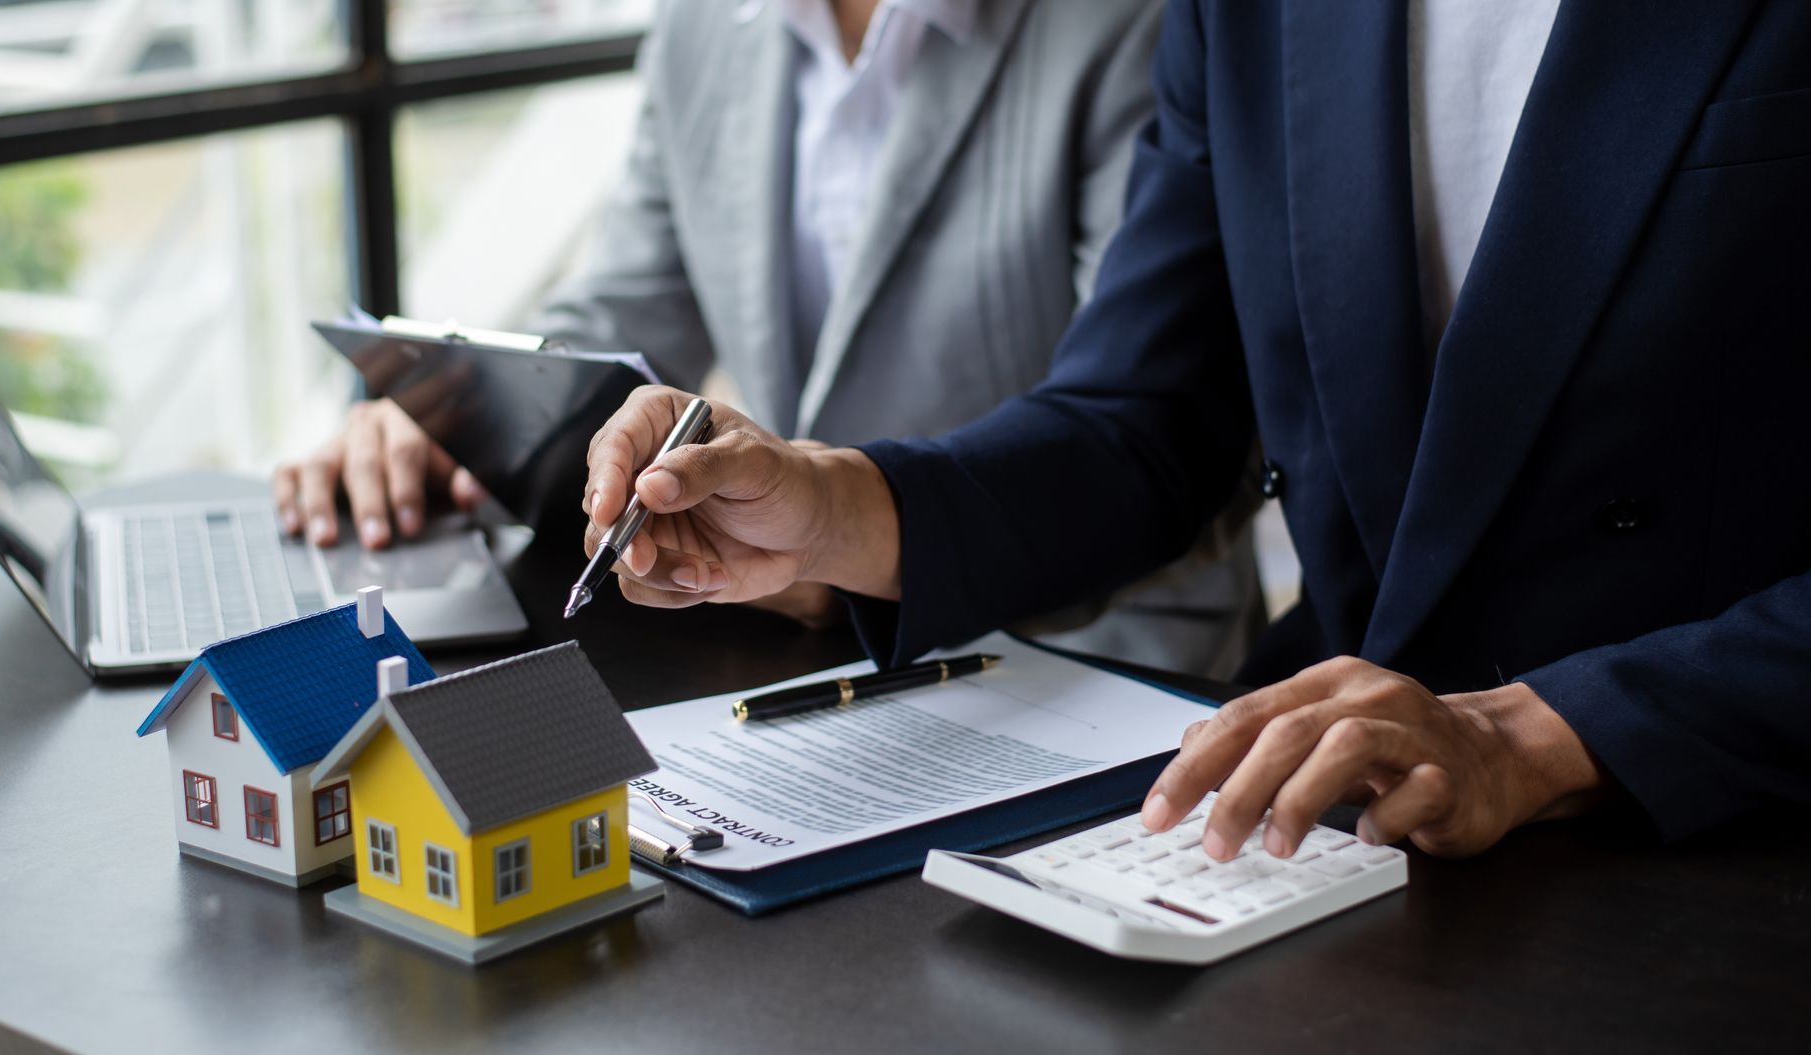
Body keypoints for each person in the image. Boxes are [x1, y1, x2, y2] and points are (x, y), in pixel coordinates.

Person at [578, 1, 1811, 859]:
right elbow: (1146, 421)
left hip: (1720, 832)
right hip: (1317, 820)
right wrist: (829, 503)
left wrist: (1540, 731)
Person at [274, 0, 1264, 677]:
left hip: (1091, 657)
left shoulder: (1140, 23)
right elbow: (628, 304)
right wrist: (451, 408)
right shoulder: (713, 22)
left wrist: (837, 527)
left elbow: (1150, 430)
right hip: (806, 634)